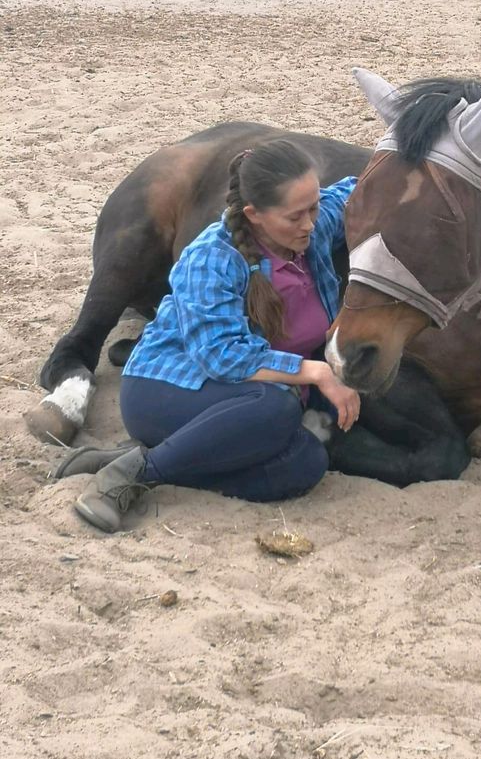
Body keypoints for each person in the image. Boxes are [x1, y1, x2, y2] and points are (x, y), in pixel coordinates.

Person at [57, 140, 360, 532]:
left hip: (242, 399)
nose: (310, 224)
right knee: (279, 409)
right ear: (255, 215)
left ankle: (160, 456)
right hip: (165, 389)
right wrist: (316, 372)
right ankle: (132, 475)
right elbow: (224, 357)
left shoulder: (310, 231)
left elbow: (360, 189)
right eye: (295, 216)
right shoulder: (211, 258)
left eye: (314, 208)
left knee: (307, 463)